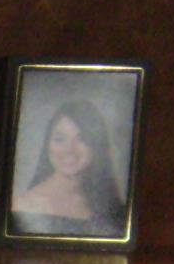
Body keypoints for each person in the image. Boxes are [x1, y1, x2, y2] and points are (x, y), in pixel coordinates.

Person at [9, 98, 127, 238]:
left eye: (81, 139)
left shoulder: (112, 207)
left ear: (96, 145)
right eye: (59, 139)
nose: (69, 149)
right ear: (47, 145)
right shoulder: (22, 206)